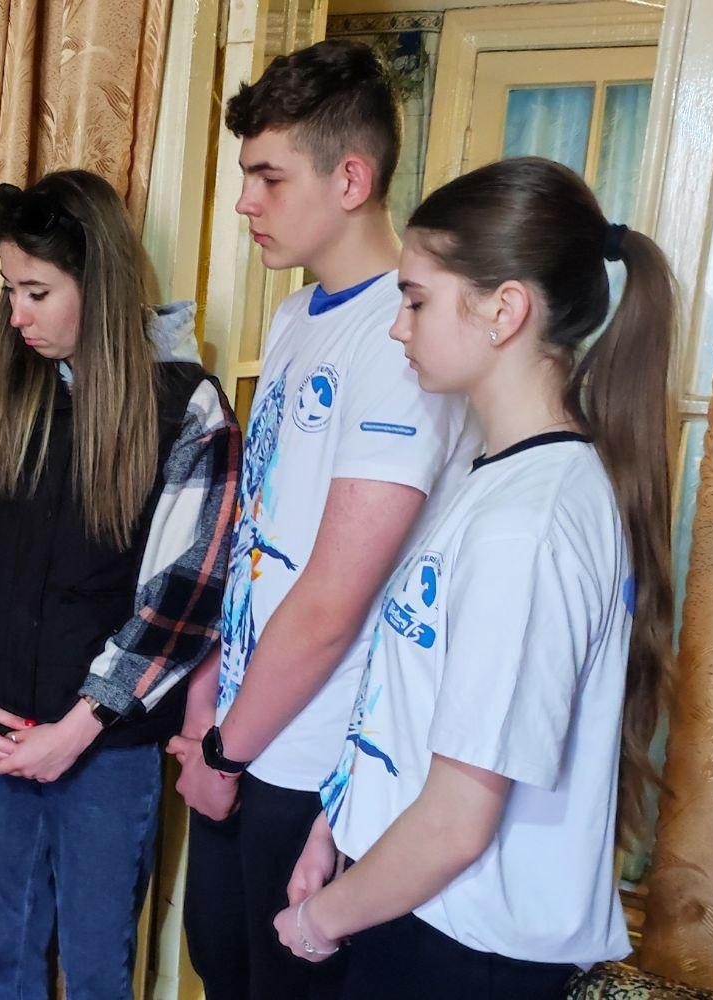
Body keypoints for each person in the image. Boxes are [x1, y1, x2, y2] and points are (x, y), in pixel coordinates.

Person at [277, 156, 674, 998]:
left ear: (505, 311)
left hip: (464, 950)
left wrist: (321, 920)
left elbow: (458, 822)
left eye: (416, 300)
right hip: (420, 914)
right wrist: (340, 826)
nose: (397, 327)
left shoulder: (530, 525)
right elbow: (417, 713)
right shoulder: (494, 477)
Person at [167, 39, 478, 999]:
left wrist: (226, 751)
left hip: (317, 762)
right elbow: (261, 537)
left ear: (351, 178)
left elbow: (335, 599)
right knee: (218, 959)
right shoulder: (296, 316)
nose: (244, 202)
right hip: (244, 728)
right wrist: (208, 703)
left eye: (268, 177)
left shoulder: (404, 335)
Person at [0, 169, 241, 999]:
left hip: (108, 748)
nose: (17, 316)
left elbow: (183, 598)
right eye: (9, 292)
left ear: (100, 283)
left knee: (95, 969)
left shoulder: (186, 410)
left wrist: (79, 728)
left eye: (38, 293)